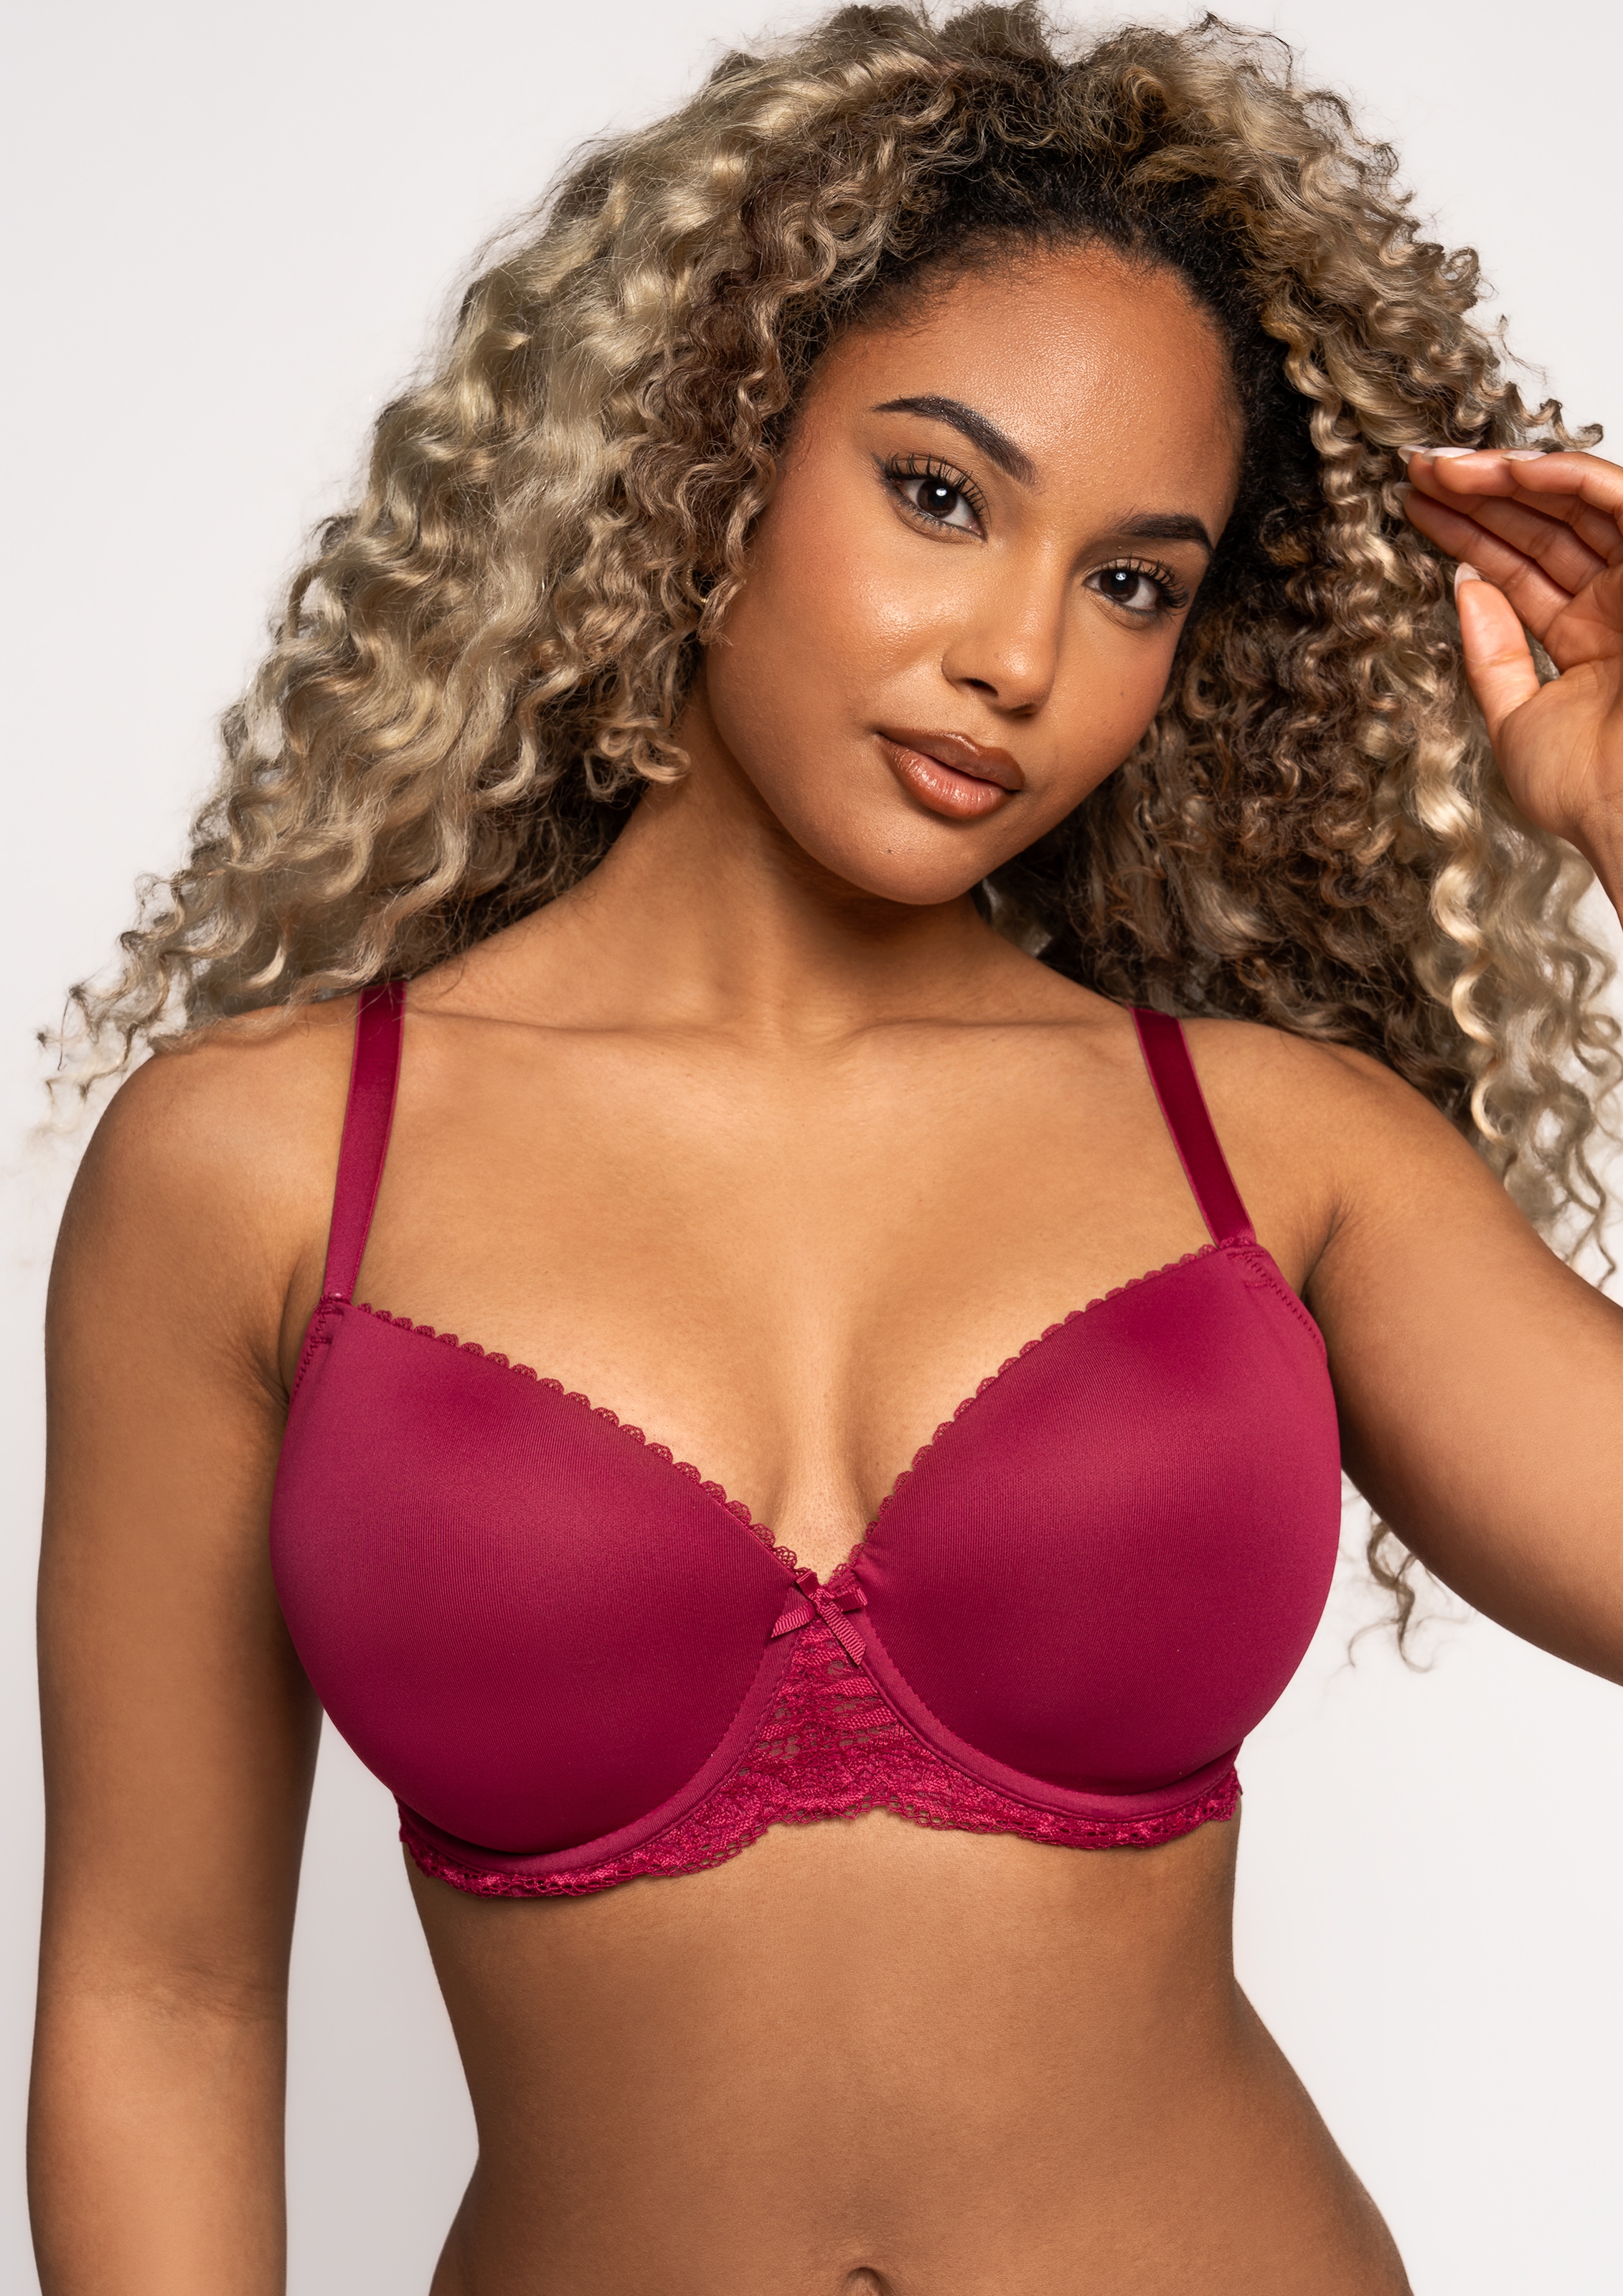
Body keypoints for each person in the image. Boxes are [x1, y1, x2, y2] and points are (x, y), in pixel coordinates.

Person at [27, 5, 1623, 2290]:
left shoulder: (1274, 1156)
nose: (1019, 656)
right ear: (717, 450)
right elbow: (161, 1997)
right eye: (942, 496)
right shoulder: (262, 1169)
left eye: (1134, 580)